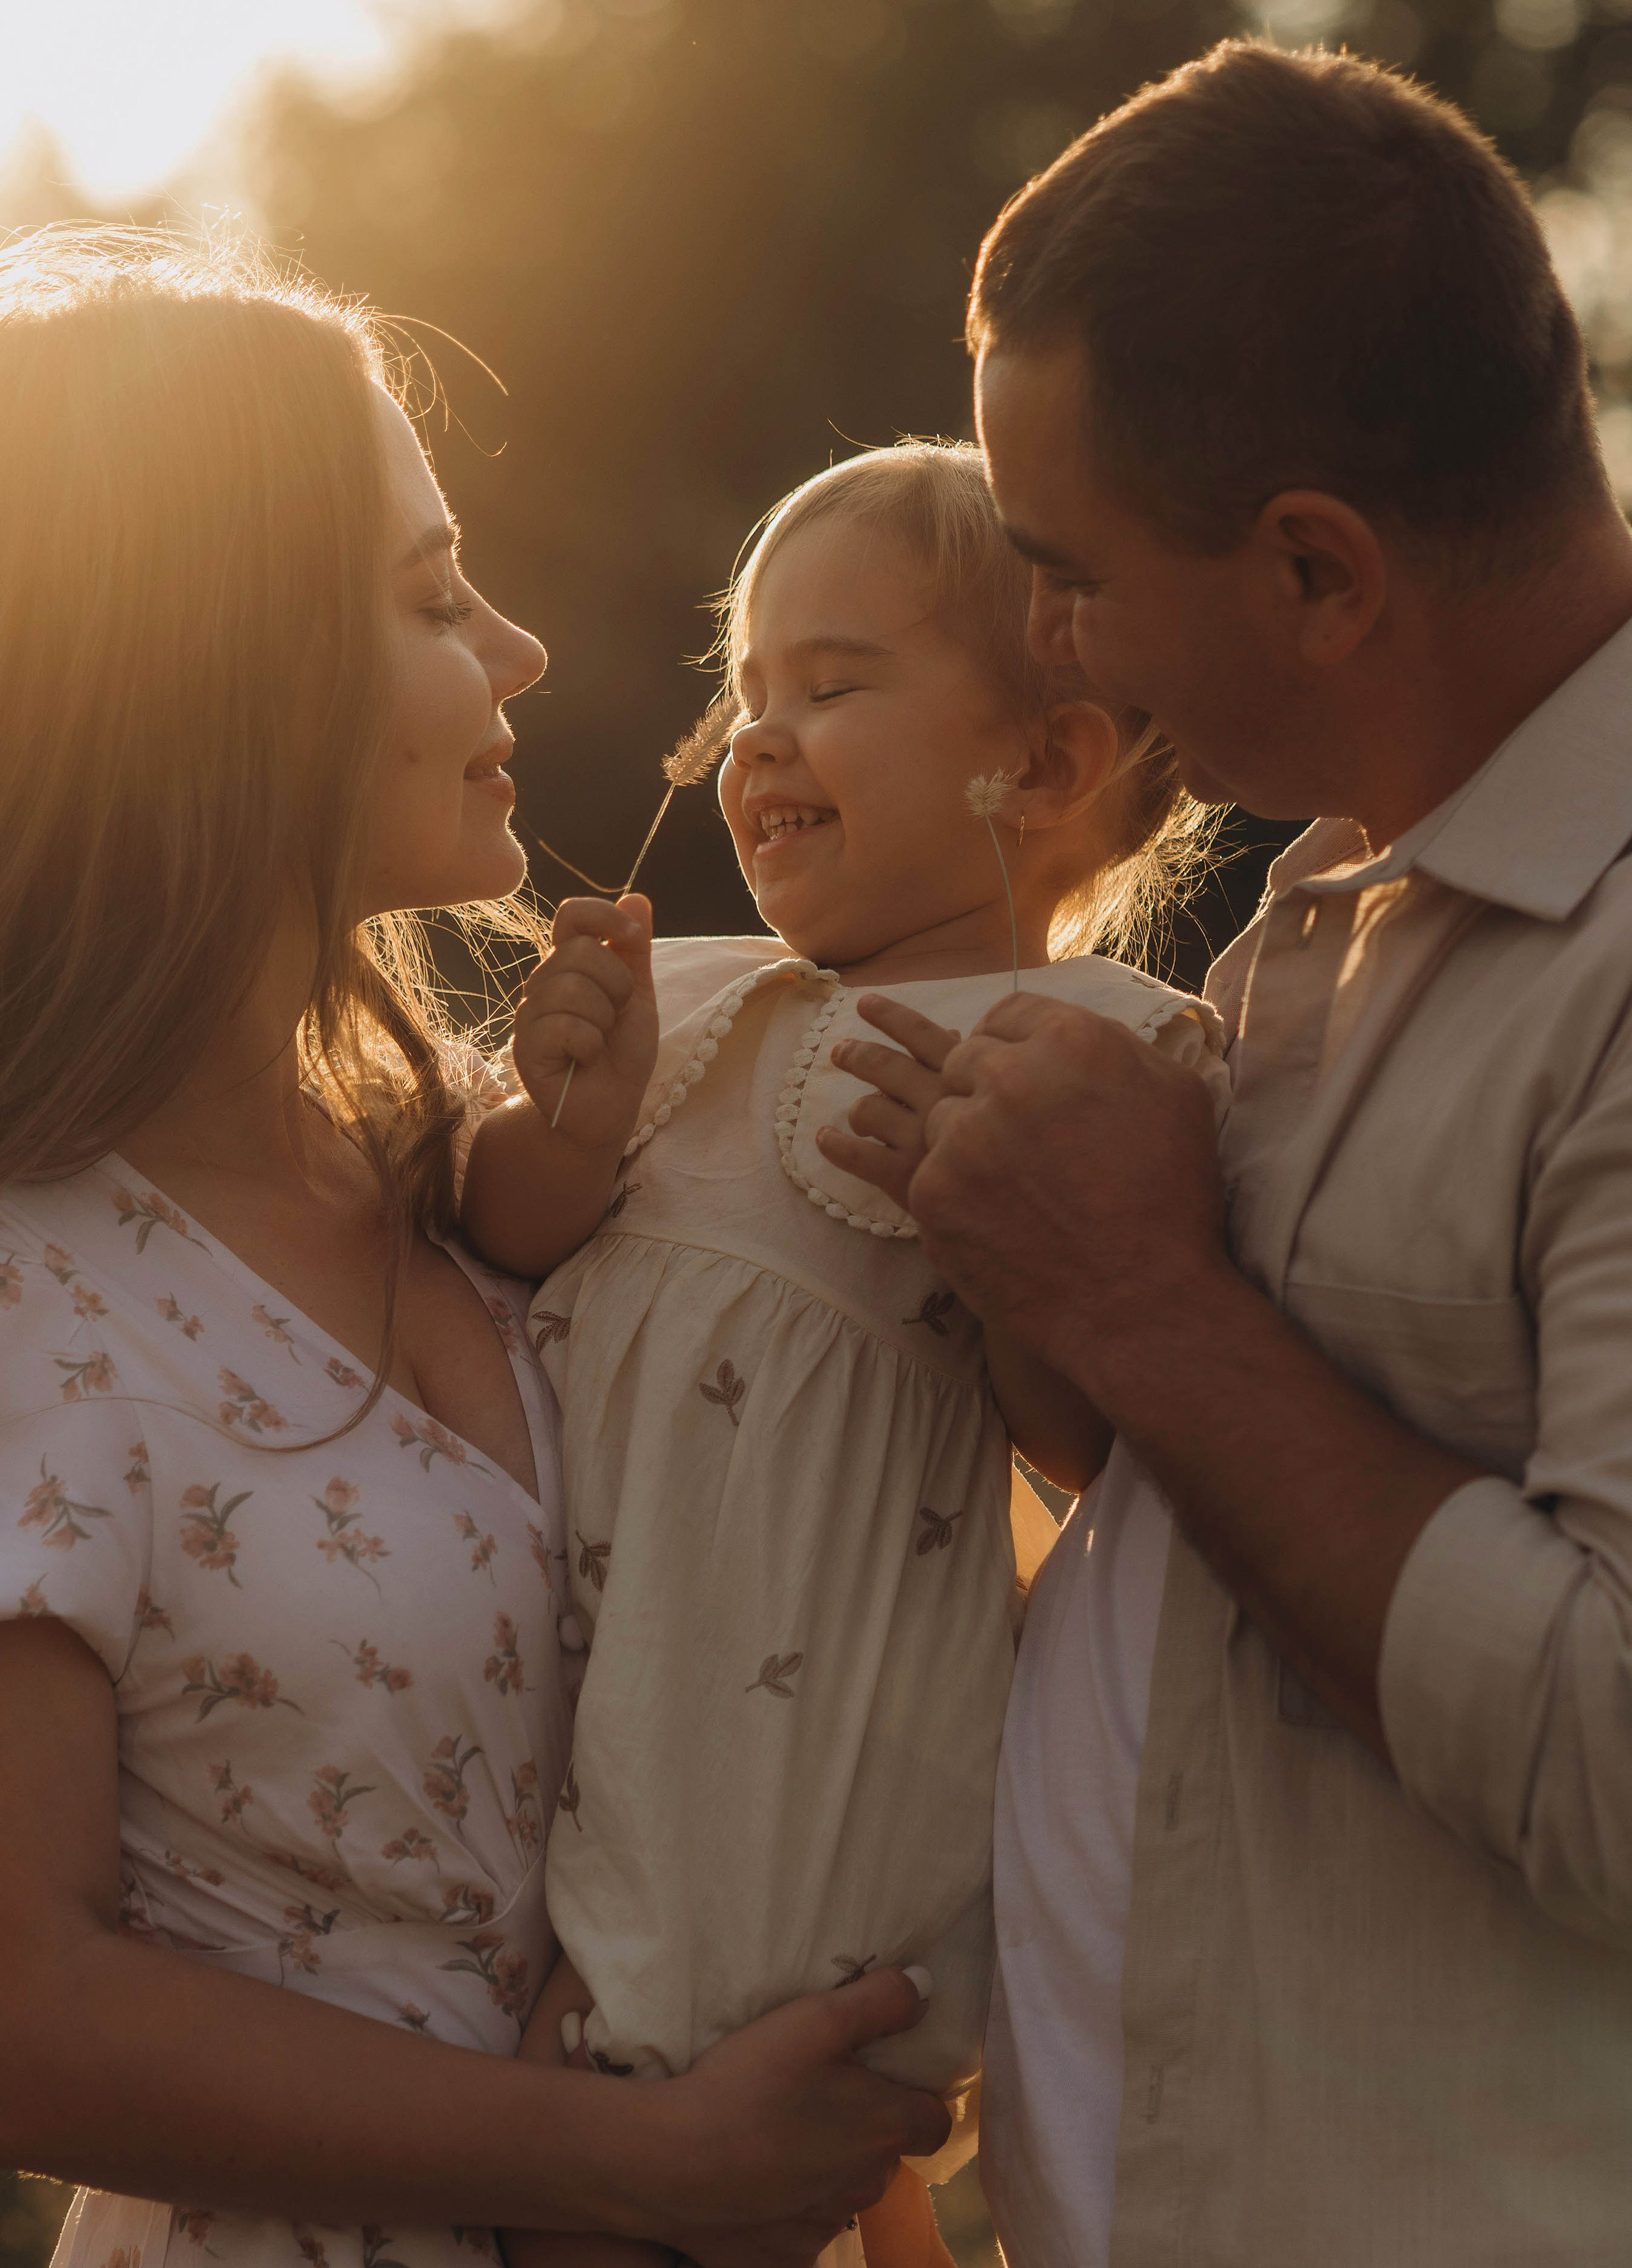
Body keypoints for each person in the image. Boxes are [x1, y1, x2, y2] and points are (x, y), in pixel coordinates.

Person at [0, 230, 953, 2268]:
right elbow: (30, 2012)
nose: (519, 652)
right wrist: (626, 2163)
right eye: (436, 598)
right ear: (219, 661)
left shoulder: (485, 1157)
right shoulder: (32, 1286)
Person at [828, 40, 1632, 2266]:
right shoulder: (1337, 894)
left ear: (1314, 569)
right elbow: (1272, 1548)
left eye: (1066, 572)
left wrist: (1143, 1307)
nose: (1050, 640)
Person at [456, 443, 1228, 2268]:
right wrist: (558, 1128)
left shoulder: (1113, 1057)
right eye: (745, 697)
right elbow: (501, 1254)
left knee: (694, 2143)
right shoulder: (692, 1001)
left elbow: (1097, 1450)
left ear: (1042, 765)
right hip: (556, 1713)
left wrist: (1015, 1252)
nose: (758, 742)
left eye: (834, 685)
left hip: (796, 1785)